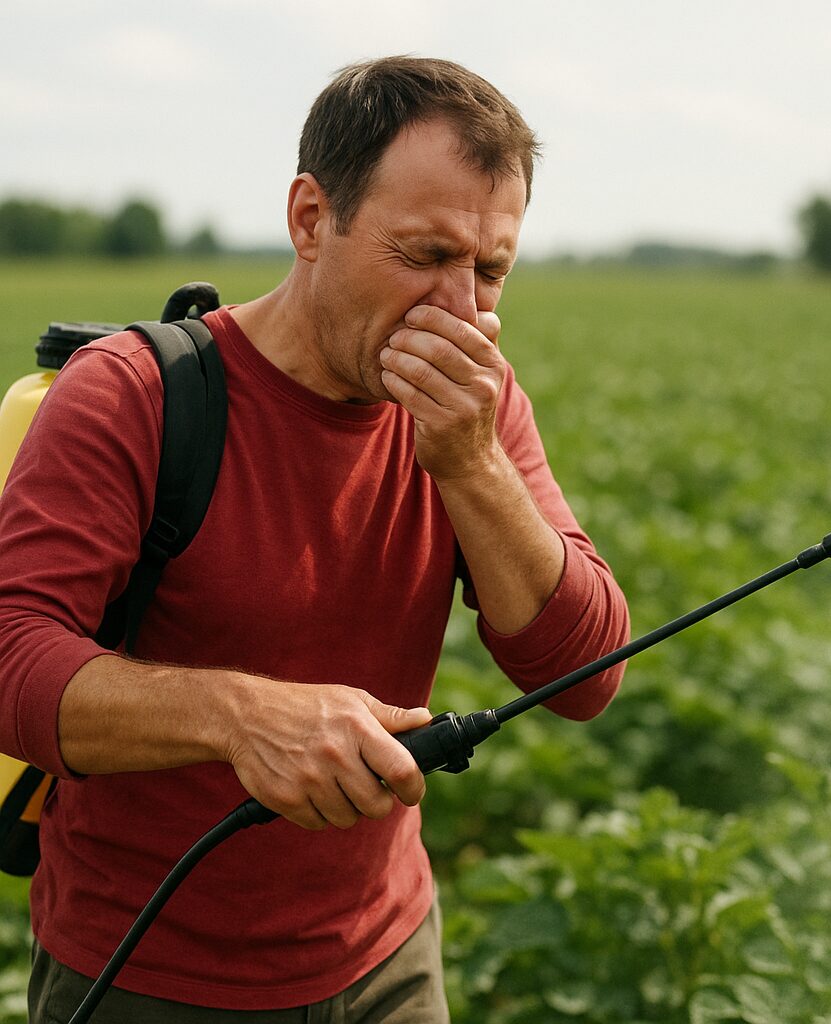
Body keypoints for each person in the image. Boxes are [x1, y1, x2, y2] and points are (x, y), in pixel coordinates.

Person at [0, 56, 629, 1022]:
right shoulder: (134, 396)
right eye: (424, 254)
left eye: (490, 269)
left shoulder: (478, 409)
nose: (461, 308)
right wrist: (241, 716)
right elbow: (11, 653)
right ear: (309, 219)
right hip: (146, 970)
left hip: (390, 957)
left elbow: (585, 678)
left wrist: (471, 465)